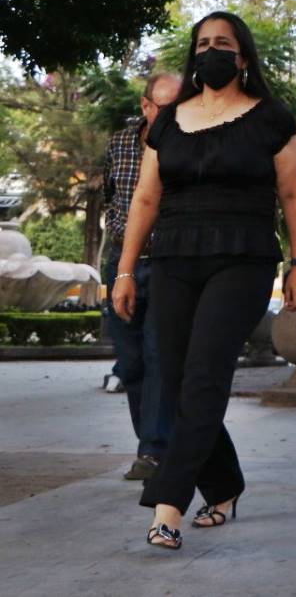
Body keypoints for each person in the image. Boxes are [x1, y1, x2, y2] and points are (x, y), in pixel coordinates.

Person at [112, 11, 296, 550]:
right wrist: (126, 269)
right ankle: (223, 485)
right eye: (203, 44)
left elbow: (293, 194)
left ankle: (168, 504)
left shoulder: (271, 117)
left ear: (243, 57)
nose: (212, 51)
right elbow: (146, 197)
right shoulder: (171, 120)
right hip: (174, 256)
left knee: (203, 375)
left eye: (223, 43)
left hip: (242, 258)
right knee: (176, 381)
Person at [102, 72, 180, 481]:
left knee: (158, 355)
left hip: (168, 262)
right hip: (122, 262)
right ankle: (149, 442)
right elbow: (110, 195)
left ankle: (152, 449)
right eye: (162, 107)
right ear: (146, 105)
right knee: (130, 363)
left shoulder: (188, 146)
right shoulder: (119, 144)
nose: (170, 115)